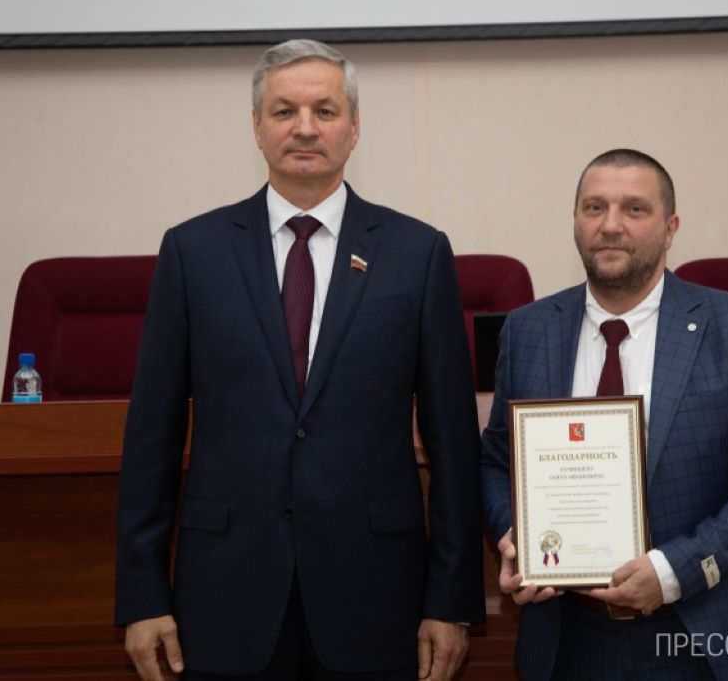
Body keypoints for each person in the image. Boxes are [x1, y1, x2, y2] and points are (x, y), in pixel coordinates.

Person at [115, 39, 485, 680]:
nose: (306, 128)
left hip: (377, 595)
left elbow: (453, 444)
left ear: (355, 128)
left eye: (325, 110)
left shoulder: (418, 254)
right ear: (256, 127)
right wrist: (143, 595)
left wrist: (450, 601)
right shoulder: (192, 252)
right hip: (225, 593)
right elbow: (153, 437)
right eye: (284, 111)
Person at [481, 149, 728, 680]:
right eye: (594, 207)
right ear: (575, 221)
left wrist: (675, 570)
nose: (610, 225)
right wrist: (516, 535)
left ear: (670, 229)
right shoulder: (527, 330)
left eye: (634, 209)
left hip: (700, 635)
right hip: (567, 640)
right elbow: (496, 460)